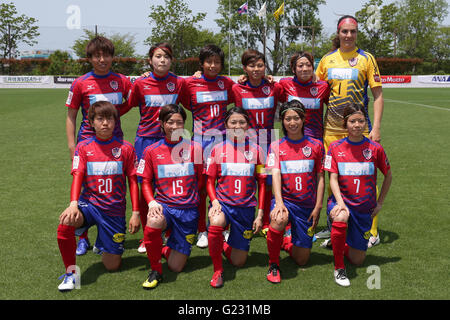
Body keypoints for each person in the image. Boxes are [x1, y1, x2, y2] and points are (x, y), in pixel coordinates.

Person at [57, 101, 140, 292]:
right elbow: (77, 175)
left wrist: (135, 212)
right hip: (90, 205)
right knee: (65, 222)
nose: (105, 123)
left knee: (112, 266)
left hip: (114, 211)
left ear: (115, 122)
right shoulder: (83, 147)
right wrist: (73, 204)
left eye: (109, 118)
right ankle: (71, 272)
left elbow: (133, 181)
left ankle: (103, 240)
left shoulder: (126, 148)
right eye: (100, 119)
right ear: (91, 122)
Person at [315, 15, 384, 245]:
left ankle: (371, 230)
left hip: (359, 132)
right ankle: (335, 223)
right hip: (331, 132)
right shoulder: (327, 60)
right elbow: (313, 88)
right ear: (338, 32)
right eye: (344, 31)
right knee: (329, 179)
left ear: (357, 34)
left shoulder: (366, 59)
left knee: (364, 180)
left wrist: (376, 128)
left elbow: (378, 95)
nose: (348, 35)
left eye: (352, 31)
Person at [65, 36, 133, 256]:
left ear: (113, 57)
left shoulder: (122, 81)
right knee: (87, 188)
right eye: (97, 56)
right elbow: (71, 115)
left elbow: (133, 99)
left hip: (115, 141)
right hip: (87, 142)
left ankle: (106, 231)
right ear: (90, 58)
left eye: (106, 55)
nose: (102, 59)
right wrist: (71, 145)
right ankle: (82, 236)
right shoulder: (80, 83)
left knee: (113, 184)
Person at [124, 42, 187, 253]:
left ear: (171, 61)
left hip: (173, 140)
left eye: (166, 57)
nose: (162, 60)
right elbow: (130, 103)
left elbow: (189, 103)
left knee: (173, 182)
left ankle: (170, 230)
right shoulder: (141, 84)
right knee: (146, 186)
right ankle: (147, 235)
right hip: (146, 140)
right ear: (150, 60)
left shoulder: (178, 83)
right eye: (158, 56)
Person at [323, 103, 392, 287]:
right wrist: (340, 203)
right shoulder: (335, 148)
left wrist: (380, 203)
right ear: (345, 123)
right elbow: (333, 179)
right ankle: (339, 268)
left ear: (365, 123)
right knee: (341, 216)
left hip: (364, 209)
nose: (356, 125)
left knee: (358, 260)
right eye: (352, 121)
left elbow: (388, 176)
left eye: (361, 121)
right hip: (343, 203)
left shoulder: (375, 148)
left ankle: (338, 240)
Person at [137, 104, 203, 289]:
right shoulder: (151, 151)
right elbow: (145, 182)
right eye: (170, 122)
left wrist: (189, 198)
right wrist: (151, 202)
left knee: (176, 266)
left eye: (179, 122)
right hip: (165, 206)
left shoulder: (195, 148)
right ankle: (155, 269)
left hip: (188, 210)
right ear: (161, 123)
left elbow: (200, 179)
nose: (174, 126)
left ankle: (163, 247)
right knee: (154, 221)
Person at [264, 101, 325, 283]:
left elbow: (321, 178)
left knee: (302, 259)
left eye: (296, 118)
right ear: (282, 121)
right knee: (279, 218)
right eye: (288, 118)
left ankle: (286, 241)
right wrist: (279, 202)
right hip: (286, 201)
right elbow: (275, 173)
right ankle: (273, 264)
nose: (292, 122)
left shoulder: (316, 146)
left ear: (304, 119)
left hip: (307, 206)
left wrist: (318, 206)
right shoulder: (276, 146)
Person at [205, 107, 266, 288]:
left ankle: (222, 244)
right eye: (233, 122)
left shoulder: (258, 150)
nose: (237, 126)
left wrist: (261, 214)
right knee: (216, 221)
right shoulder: (216, 150)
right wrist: (215, 202)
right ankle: (217, 270)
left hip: (246, 208)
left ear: (248, 125)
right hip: (223, 205)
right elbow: (209, 181)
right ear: (225, 125)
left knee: (239, 261)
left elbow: (263, 183)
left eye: (242, 122)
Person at [182, 44, 236, 248]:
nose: (213, 65)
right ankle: (201, 229)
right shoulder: (191, 84)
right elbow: (187, 104)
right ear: (202, 63)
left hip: (223, 141)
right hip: (199, 140)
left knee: (225, 184)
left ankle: (224, 227)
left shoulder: (227, 83)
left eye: (217, 62)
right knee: (201, 187)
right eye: (209, 61)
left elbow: (235, 96)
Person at [231, 49, 283, 233]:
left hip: (268, 143)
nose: (256, 69)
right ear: (245, 68)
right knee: (245, 180)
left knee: (267, 181)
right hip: (244, 144)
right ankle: (243, 218)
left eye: (260, 65)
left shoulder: (274, 88)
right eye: (251, 65)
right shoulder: (237, 88)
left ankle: (267, 221)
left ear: (265, 67)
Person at [278, 51, 330, 141]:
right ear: (293, 69)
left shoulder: (323, 86)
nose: (305, 69)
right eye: (300, 66)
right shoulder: (285, 83)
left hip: (315, 139)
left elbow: (332, 107)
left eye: (308, 65)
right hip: (292, 137)